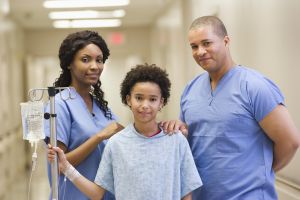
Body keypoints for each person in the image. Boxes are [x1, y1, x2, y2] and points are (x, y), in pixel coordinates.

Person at [176, 15, 300, 199]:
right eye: (194, 46)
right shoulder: (190, 89)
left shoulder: (254, 86)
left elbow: (290, 142)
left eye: (207, 43)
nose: (200, 51)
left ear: (226, 41)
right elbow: (187, 137)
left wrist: (260, 173)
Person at [48, 63, 203, 200]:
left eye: (153, 99)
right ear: (129, 99)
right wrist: (66, 168)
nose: (145, 105)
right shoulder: (116, 143)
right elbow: (97, 194)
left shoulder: (176, 141)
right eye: (139, 98)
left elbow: (186, 194)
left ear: (161, 102)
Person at [44, 30, 123, 200]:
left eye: (99, 60)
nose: (95, 66)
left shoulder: (100, 105)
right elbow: (57, 165)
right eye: (85, 60)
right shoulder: (59, 104)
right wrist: (98, 137)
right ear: (69, 63)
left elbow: (120, 134)